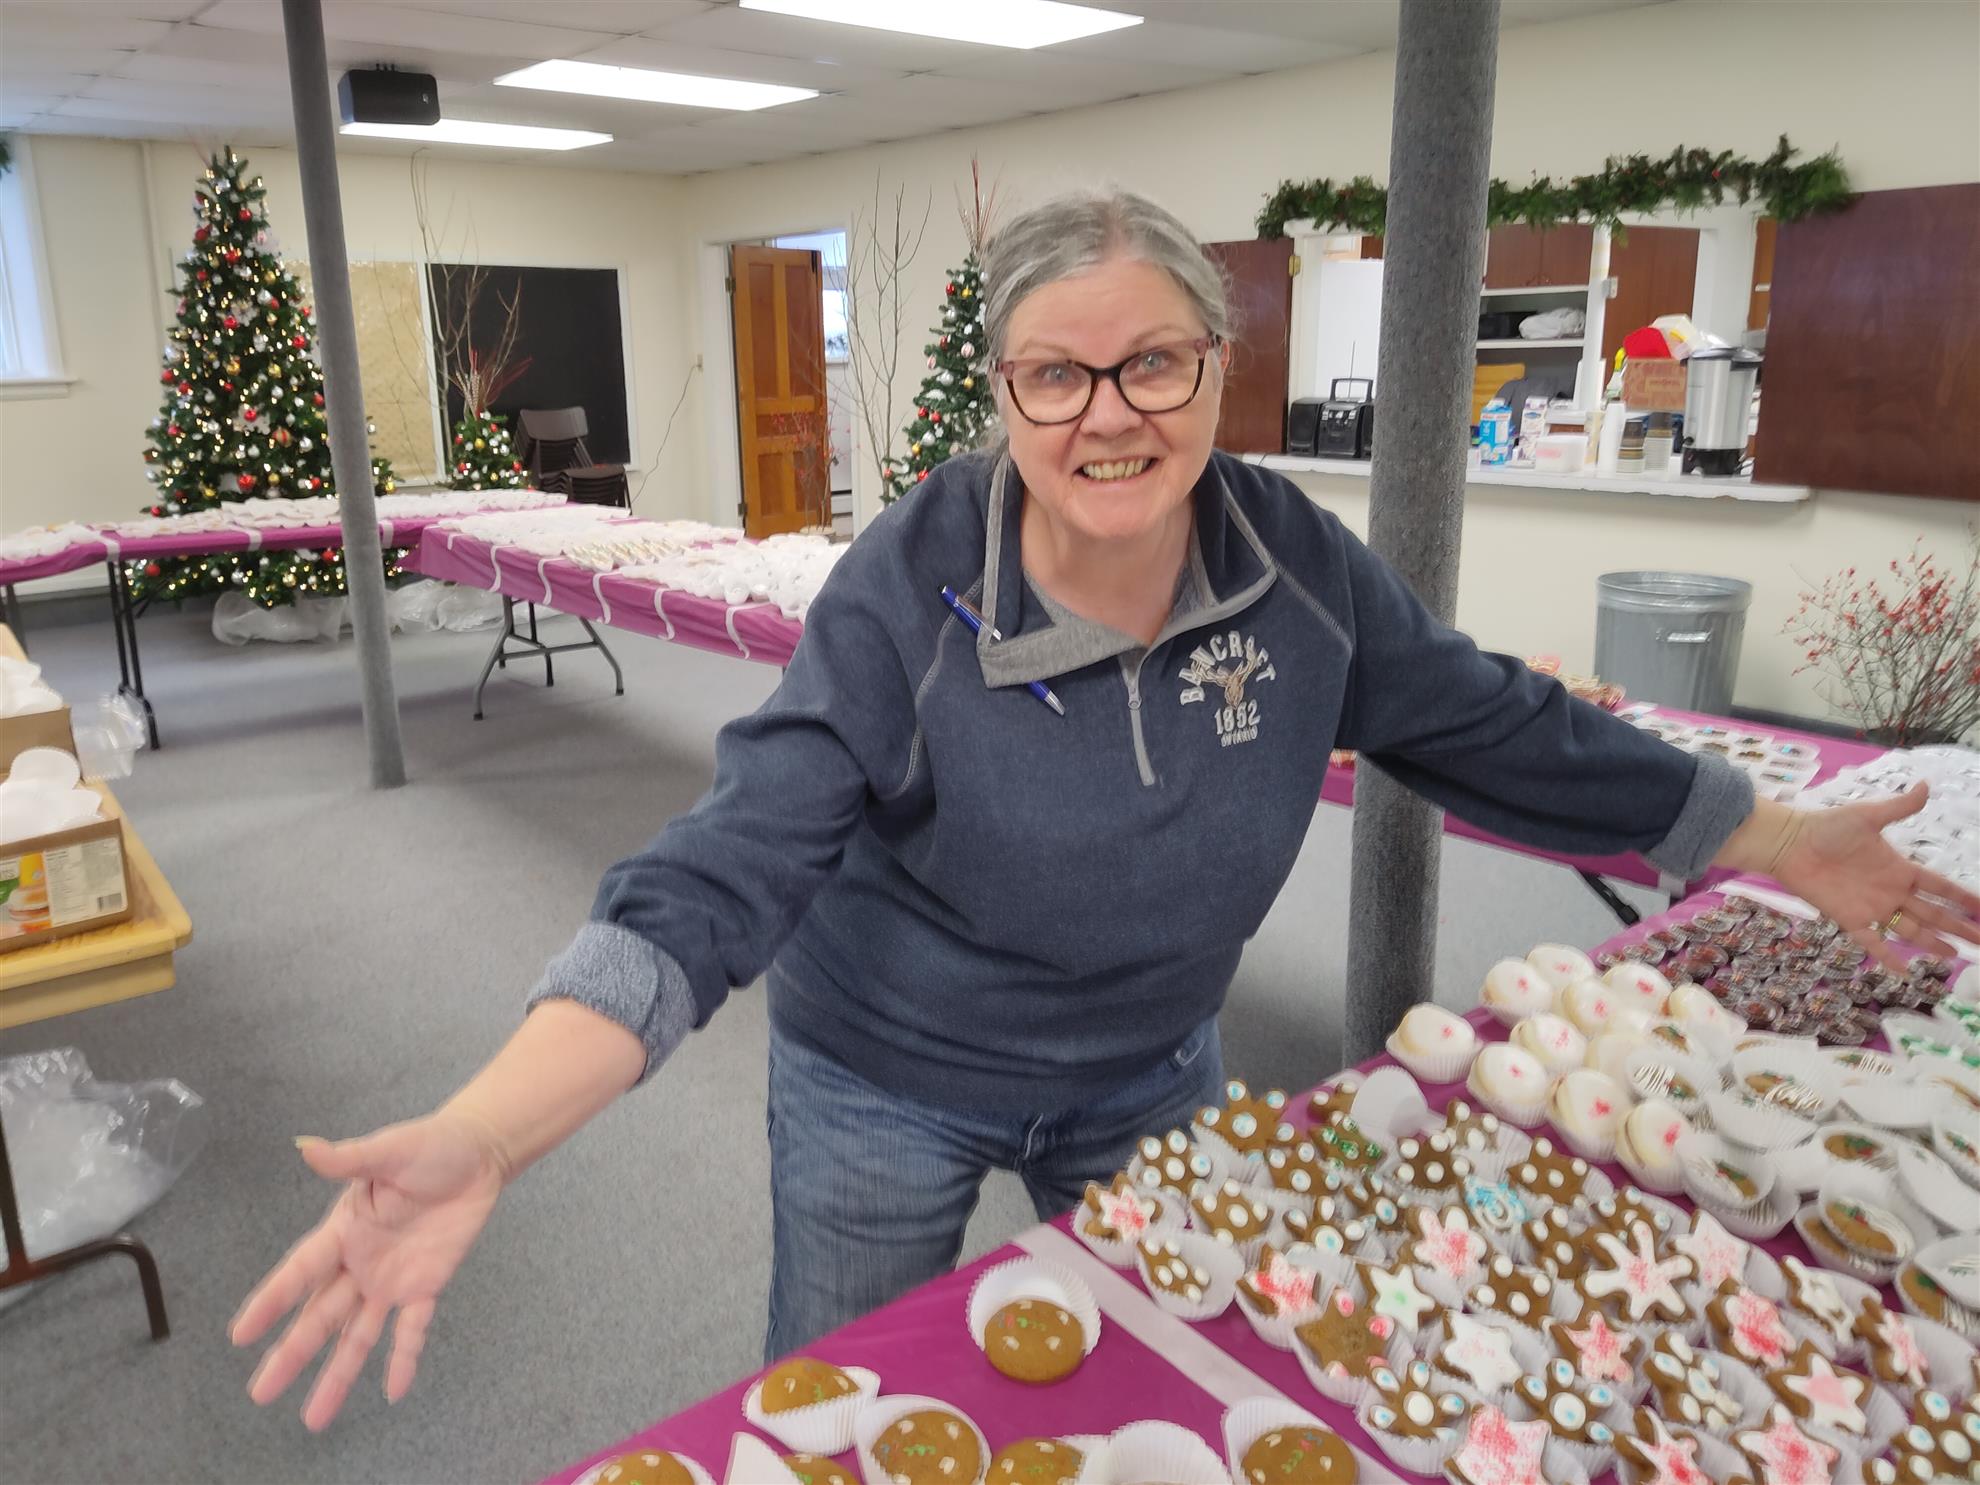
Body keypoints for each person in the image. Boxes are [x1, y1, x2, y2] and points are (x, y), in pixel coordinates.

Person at [232, 190, 1979, 1430]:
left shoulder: (1297, 567)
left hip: (1149, 1062)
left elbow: (1486, 722)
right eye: (1055, 377)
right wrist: (489, 1132)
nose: (1109, 416)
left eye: (1154, 365)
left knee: (1184, 1372)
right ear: (1002, 396)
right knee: (838, 1398)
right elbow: (721, 867)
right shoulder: (909, 585)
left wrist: (1761, 832)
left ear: (1218, 371)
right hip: (884, 1077)